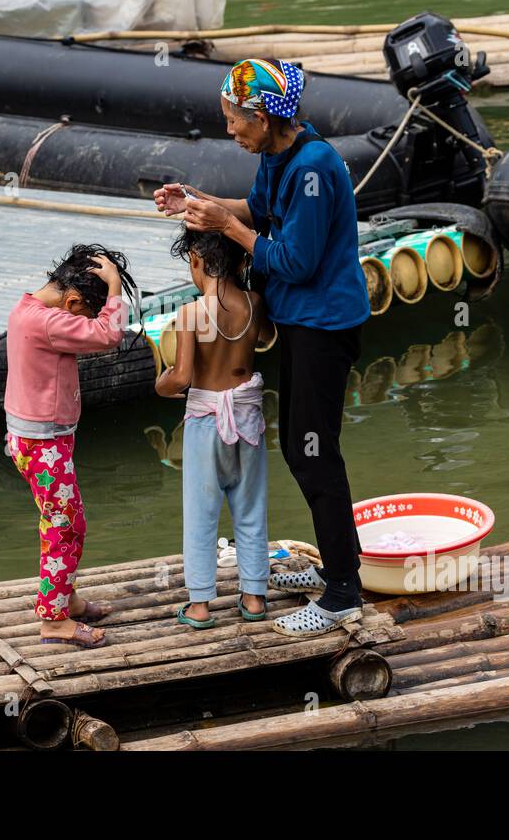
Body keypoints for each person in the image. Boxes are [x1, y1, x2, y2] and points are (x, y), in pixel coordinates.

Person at [153, 57, 371, 638]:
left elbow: (294, 262)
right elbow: (260, 213)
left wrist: (228, 227)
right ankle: (336, 568)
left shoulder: (313, 168)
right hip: (301, 322)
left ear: (267, 116)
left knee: (314, 450)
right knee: (304, 449)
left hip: (324, 322)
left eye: (234, 120)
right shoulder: (277, 157)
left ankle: (344, 592)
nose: (230, 130)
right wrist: (199, 202)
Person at [4, 244, 127, 648]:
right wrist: (112, 290)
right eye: (84, 312)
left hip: (36, 440)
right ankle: (54, 619)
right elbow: (108, 335)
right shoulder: (49, 322)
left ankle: (63, 596)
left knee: (58, 521)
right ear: (72, 301)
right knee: (65, 526)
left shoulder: (27, 310)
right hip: (43, 445)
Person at [156, 227, 272, 629]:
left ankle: (201, 604)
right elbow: (269, 338)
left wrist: (161, 382)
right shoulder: (256, 304)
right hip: (249, 421)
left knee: (201, 514)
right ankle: (255, 596)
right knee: (251, 508)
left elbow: (183, 377)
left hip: (206, 421)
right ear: (241, 262)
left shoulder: (190, 314)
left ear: (196, 262)